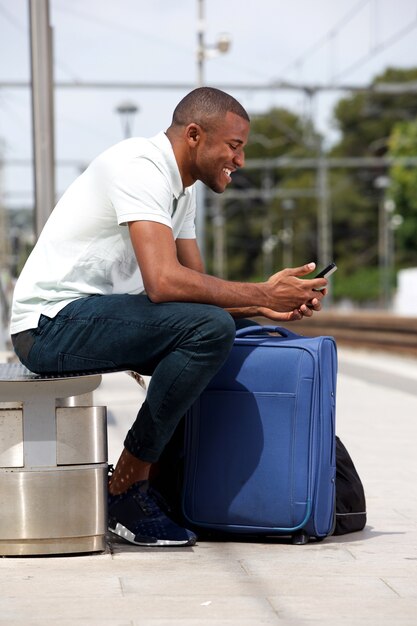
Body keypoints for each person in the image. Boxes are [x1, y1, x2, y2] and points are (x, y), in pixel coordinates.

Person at [10, 87, 328, 548]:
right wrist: (260, 291)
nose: (239, 161)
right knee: (211, 329)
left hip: (92, 319)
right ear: (195, 135)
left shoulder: (183, 190)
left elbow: (196, 292)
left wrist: (264, 306)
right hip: (49, 327)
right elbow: (163, 282)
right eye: (234, 146)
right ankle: (128, 486)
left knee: (230, 327)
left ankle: (175, 478)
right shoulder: (142, 167)